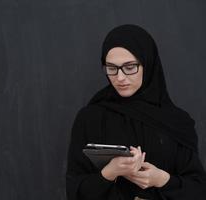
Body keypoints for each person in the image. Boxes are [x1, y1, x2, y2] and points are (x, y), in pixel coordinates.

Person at [66, 24, 206, 200]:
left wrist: (162, 180)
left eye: (130, 67)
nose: (120, 78)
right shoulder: (91, 118)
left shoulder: (177, 121)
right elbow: (74, 190)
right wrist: (109, 173)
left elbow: (198, 189)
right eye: (111, 68)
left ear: (147, 64)